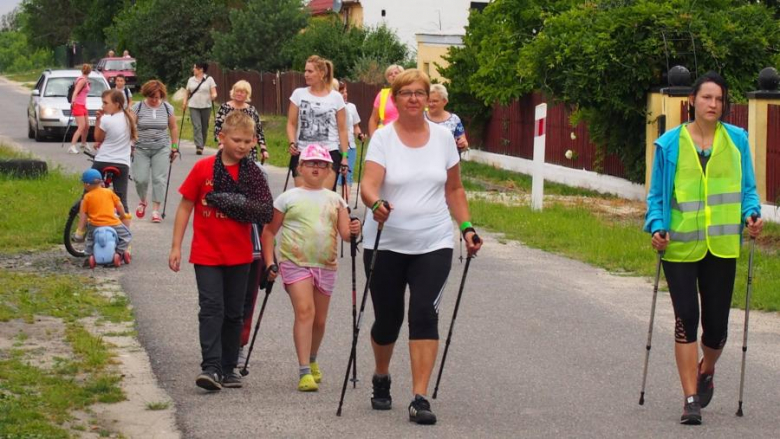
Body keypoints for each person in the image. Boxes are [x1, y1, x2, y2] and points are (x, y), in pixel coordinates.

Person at [359, 69, 483, 425]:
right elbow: (369, 184)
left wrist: (466, 228)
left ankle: (419, 396)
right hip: (386, 242)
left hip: (434, 240)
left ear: (429, 98)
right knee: (388, 320)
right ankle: (381, 375)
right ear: (395, 99)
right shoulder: (383, 138)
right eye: (406, 93)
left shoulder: (444, 139)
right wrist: (375, 204)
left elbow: (454, 190)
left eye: (419, 92)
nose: (413, 98)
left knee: (424, 313)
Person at [644, 71, 763, 426]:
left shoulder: (737, 141)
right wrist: (656, 226)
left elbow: (749, 191)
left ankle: (706, 368)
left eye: (719, 99)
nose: (713, 104)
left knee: (716, 328)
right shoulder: (669, 145)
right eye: (706, 97)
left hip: (722, 246)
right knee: (686, 319)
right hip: (680, 247)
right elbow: (656, 199)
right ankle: (690, 397)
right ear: (692, 101)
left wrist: (752, 215)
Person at [169, 111, 273, 391]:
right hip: (206, 254)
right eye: (236, 140)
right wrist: (176, 246)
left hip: (241, 255)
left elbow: (265, 212)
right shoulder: (203, 169)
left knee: (234, 312)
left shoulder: (253, 175)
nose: (242, 146)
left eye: (247, 141)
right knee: (211, 308)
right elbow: (185, 206)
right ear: (222, 138)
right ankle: (211, 367)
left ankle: (229, 368)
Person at [263, 144, 361, 392]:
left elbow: (345, 235)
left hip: (326, 265)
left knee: (319, 320)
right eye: (311, 163)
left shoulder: (336, 200)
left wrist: (353, 231)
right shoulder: (287, 197)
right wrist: (269, 261)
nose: (316, 168)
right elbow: (269, 232)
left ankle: (314, 358)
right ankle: (304, 370)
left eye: (322, 164)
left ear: (330, 170)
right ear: (300, 167)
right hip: (294, 263)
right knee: (305, 312)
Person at [286, 55, 349, 191]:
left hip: (328, 153)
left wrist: (344, 157)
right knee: (303, 198)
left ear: (321, 73)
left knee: (324, 198)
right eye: (305, 71)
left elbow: (342, 129)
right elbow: (291, 123)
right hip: (302, 152)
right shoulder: (298, 94)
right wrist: (292, 142)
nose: (306, 75)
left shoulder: (336, 97)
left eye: (310, 71)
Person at [131, 80, 179, 223]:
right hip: (141, 148)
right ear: (146, 94)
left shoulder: (167, 108)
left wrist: (174, 147)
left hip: (161, 148)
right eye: (151, 96)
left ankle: (156, 210)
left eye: (157, 97)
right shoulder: (138, 107)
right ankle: (143, 200)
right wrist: (130, 143)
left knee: (159, 179)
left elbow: (173, 127)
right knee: (140, 179)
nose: (154, 100)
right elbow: (131, 126)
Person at [73, 168, 132, 261]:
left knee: (90, 240)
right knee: (126, 236)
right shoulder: (109, 192)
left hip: (95, 225)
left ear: (87, 184)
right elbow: (119, 204)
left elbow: (83, 214)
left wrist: (80, 231)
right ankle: (119, 252)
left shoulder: (87, 197)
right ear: (101, 182)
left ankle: (89, 256)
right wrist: (123, 215)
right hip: (113, 223)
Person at [93, 89, 137, 212]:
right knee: (121, 199)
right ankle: (125, 229)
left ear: (117, 104)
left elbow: (98, 137)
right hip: (122, 163)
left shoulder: (106, 119)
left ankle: (82, 227)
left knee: (88, 193)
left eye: (105, 103)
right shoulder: (130, 118)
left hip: (102, 160)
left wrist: (98, 120)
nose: (103, 106)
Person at [214, 80, 269, 163]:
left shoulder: (251, 110)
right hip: (229, 148)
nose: (239, 94)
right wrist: (220, 143)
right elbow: (218, 127)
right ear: (233, 92)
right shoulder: (224, 108)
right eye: (237, 91)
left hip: (248, 149)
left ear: (247, 94)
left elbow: (258, 131)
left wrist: (263, 149)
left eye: (242, 92)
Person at [182, 62, 217, 155]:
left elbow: (214, 92)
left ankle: (202, 144)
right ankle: (199, 146)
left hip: (206, 106)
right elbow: (187, 92)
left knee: (204, 127)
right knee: (197, 126)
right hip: (193, 106)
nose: (193, 69)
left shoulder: (209, 79)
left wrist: (213, 96)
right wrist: (184, 102)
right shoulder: (190, 80)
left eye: (195, 68)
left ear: (201, 69)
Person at [337, 80, 366, 190]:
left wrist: (360, 135)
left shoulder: (352, 107)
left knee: (347, 177)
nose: (345, 94)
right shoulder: (331, 106)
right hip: (335, 146)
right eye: (341, 92)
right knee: (334, 177)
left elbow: (355, 126)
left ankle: (345, 206)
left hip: (350, 147)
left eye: (346, 91)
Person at [425, 84, 468, 152]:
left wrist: (463, 144)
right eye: (429, 101)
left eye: (435, 101)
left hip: (449, 161)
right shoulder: (420, 118)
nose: (431, 104)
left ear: (445, 101)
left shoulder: (454, 120)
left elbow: (464, 144)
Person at [367, 64, 404, 136]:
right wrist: (373, 139)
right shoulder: (382, 95)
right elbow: (373, 119)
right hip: (385, 136)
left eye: (396, 73)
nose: (393, 75)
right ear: (388, 79)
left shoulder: (409, 93)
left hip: (405, 135)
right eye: (390, 74)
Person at [68, 64, 93, 155]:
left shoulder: (85, 80)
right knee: (81, 126)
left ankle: (83, 143)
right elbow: (75, 91)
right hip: (78, 105)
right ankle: (72, 146)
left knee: (87, 126)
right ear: (90, 71)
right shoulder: (82, 80)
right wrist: (73, 102)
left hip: (83, 105)